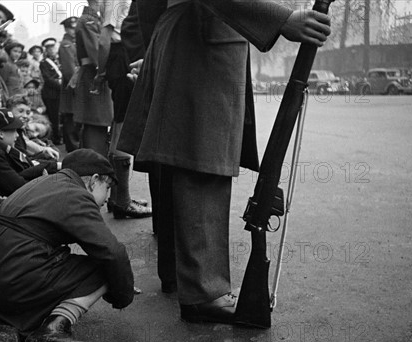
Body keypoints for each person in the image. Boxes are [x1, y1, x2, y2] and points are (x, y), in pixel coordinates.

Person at [118, 0, 331, 323]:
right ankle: (203, 291)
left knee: (190, 155)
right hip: (202, 35)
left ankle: (188, 279)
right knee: (202, 158)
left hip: (196, 33)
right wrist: (281, 19)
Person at [0, 148, 134, 342]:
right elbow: (113, 253)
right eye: (107, 188)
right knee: (105, 267)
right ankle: (52, 330)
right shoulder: (76, 194)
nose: (107, 198)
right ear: (93, 181)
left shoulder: (44, 184)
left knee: (82, 260)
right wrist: (121, 294)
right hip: (10, 280)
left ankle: (40, 317)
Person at [97, 0, 152, 219]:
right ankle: (123, 201)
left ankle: (117, 197)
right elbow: (105, 40)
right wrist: (101, 71)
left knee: (119, 124)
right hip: (122, 56)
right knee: (123, 125)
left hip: (120, 56)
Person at [0, 109, 59, 227]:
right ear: (0, 133)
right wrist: (42, 182)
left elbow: (24, 170)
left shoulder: (2, 149)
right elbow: (17, 184)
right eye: (13, 131)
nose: (17, 135)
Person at [74, 1, 114, 158]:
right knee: (95, 125)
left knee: (100, 125)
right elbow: (97, 52)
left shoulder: (94, 19)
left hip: (96, 75)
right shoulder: (87, 20)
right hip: (94, 76)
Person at [58, 16, 81, 152]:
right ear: (66, 29)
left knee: (73, 119)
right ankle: (73, 149)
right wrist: (78, 87)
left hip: (72, 88)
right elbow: (69, 71)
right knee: (71, 120)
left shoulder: (72, 43)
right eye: (72, 28)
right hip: (71, 88)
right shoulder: (66, 45)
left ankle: (73, 148)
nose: (74, 31)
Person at [39, 38, 63, 145]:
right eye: (49, 48)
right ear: (46, 50)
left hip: (59, 93)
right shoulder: (44, 63)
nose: (52, 50)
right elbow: (48, 79)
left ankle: (60, 136)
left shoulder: (59, 60)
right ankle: (56, 138)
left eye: (53, 47)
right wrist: (62, 87)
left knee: (60, 115)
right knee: (54, 117)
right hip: (51, 94)